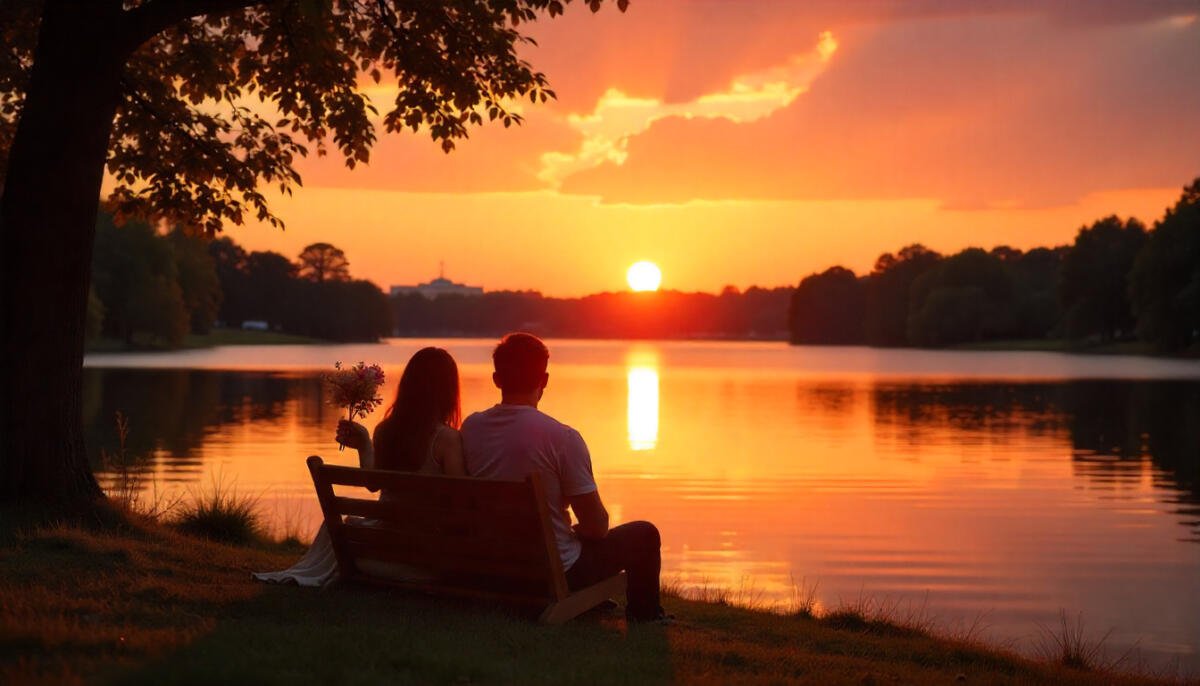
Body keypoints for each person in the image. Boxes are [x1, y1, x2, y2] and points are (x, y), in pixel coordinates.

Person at [460, 333, 667, 622]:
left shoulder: (471, 428)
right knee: (644, 534)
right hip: (551, 572)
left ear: (496, 379)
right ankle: (646, 615)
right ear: (544, 380)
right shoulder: (562, 438)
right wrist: (576, 531)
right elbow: (597, 527)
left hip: (493, 567)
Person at [253, 346, 464, 586]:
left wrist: (365, 446)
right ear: (448, 390)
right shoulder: (447, 440)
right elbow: (463, 503)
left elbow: (372, 485)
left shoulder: (385, 431)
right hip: (421, 565)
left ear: (408, 385)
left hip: (370, 557)